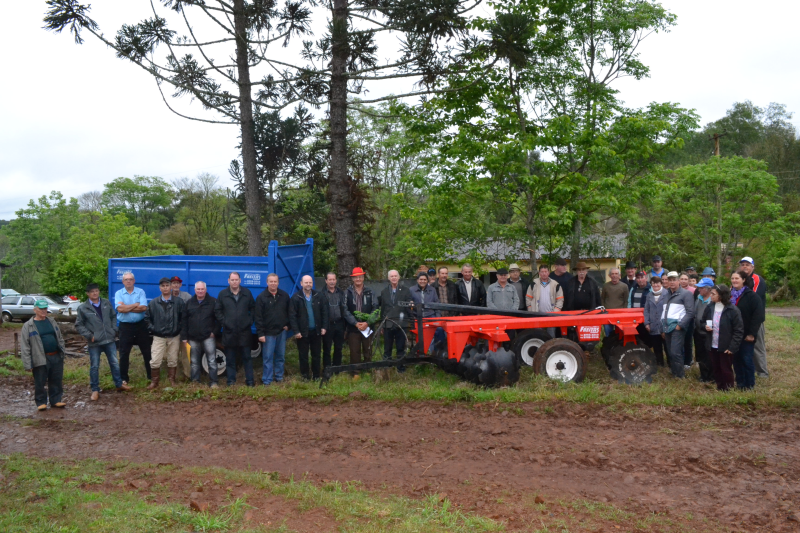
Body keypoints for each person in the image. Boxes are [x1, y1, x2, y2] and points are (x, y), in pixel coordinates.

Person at [75, 283, 129, 400]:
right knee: (94, 366)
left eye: (96, 291)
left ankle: (119, 384)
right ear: (88, 294)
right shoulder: (83, 308)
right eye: (92, 291)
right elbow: (79, 325)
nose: (95, 293)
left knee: (114, 363)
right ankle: (95, 390)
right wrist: (89, 335)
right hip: (95, 342)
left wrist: (114, 329)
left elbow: (113, 316)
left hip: (109, 339)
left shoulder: (106, 303)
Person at [20, 300, 67, 411]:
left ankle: (56, 400)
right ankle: (41, 402)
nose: (43, 311)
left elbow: (59, 337)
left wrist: (62, 350)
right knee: (40, 381)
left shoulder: (51, 321)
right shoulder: (28, 326)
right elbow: (25, 345)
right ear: (35, 309)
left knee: (56, 379)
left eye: (45, 308)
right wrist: (28, 363)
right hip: (39, 357)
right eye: (41, 309)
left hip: (55, 355)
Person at [215, 272, 256, 387]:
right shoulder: (223, 294)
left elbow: (253, 308)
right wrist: (225, 322)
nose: (234, 282)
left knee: (247, 358)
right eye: (232, 280)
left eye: (236, 280)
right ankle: (231, 382)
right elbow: (217, 311)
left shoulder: (247, 293)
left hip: (244, 332)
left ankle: (250, 382)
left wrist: (249, 321)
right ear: (228, 281)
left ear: (240, 281)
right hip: (229, 332)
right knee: (230, 359)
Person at [145, 277, 186, 389]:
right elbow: (147, 319)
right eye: (163, 286)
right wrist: (154, 329)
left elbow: (184, 318)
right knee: (155, 360)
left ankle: (172, 380)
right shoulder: (153, 303)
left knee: (173, 359)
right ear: (160, 288)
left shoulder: (179, 302)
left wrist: (178, 329)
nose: (165, 288)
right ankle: (155, 382)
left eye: (167, 285)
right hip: (159, 337)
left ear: (171, 287)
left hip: (174, 336)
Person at [702, 284, 743, 391]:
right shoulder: (710, 307)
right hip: (713, 343)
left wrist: (732, 347)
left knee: (726, 369)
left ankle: (728, 389)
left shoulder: (733, 310)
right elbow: (702, 322)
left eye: (713, 294)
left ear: (721, 295)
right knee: (716, 368)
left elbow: (738, 330)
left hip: (726, 345)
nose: (710, 295)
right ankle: (720, 387)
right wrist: (705, 326)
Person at [115, 271, 152, 385]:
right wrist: (135, 304)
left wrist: (127, 307)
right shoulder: (118, 293)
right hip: (125, 327)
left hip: (140, 325)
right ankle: (124, 378)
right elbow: (120, 309)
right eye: (126, 279)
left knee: (147, 352)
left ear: (134, 281)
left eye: (130, 279)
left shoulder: (140, 292)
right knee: (124, 353)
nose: (128, 281)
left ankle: (151, 377)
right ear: (123, 282)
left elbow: (143, 308)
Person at [289, 275, 328, 380]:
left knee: (316, 355)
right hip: (302, 333)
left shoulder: (319, 296)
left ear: (312, 283)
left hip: (316, 331)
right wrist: (296, 331)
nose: (308, 284)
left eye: (310, 282)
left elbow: (324, 312)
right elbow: (292, 316)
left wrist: (324, 327)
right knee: (303, 356)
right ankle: (305, 376)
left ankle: (316, 375)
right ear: (301, 283)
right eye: (306, 282)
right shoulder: (296, 297)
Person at [181, 281, 219, 387]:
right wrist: (184, 337)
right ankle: (195, 382)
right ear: (195, 290)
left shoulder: (213, 302)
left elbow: (219, 319)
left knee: (211, 360)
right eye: (198, 289)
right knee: (194, 362)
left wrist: (214, 332)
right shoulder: (189, 303)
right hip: (193, 337)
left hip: (208, 337)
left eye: (202, 289)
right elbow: (184, 321)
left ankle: (214, 382)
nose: (200, 291)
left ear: (206, 290)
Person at [730, 270, 764, 390]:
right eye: (733, 278)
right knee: (736, 359)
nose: (734, 281)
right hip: (733, 334)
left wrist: (751, 333)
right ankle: (740, 383)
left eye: (737, 278)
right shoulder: (729, 295)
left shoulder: (752, 296)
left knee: (746, 359)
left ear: (743, 280)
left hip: (746, 334)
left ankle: (749, 384)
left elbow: (758, 316)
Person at [254, 273, 291, 386]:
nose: (273, 283)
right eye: (271, 281)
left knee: (280, 356)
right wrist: (260, 333)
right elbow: (258, 317)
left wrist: (288, 325)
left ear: (278, 283)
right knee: (268, 358)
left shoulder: (284, 296)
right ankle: (267, 380)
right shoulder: (261, 297)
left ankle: (279, 377)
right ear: (267, 282)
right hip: (268, 333)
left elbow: (290, 312)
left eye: (275, 281)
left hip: (281, 332)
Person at [660, 271, 695, 379]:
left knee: (676, 352)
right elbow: (664, 311)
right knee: (670, 352)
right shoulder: (666, 294)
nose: (671, 282)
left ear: (678, 281)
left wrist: (680, 325)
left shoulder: (686, 294)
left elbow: (690, 312)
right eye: (669, 280)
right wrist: (662, 328)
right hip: (667, 327)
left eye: (674, 280)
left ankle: (680, 376)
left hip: (677, 327)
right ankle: (674, 372)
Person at [738, 256, 768, 378]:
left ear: (752, 267)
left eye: (747, 264)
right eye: (743, 264)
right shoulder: (739, 279)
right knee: (742, 346)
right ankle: (745, 370)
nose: (745, 266)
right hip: (742, 319)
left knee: (757, 346)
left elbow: (753, 298)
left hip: (755, 319)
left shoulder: (757, 279)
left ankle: (762, 372)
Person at [344, 267, 378, 373]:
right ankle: (356, 373)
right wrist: (355, 323)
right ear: (352, 279)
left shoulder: (370, 292)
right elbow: (344, 310)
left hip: (367, 327)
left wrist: (368, 322)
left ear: (363, 278)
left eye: (360, 277)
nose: (358, 279)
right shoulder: (347, 292)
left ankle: (368, 371)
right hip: (353, 327)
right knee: (354, 351)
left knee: (368, 349)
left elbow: (375, 308)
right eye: (356, 277)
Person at [380, 269, 412, 363]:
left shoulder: (406, 290)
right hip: (388, 323)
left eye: (395, 276)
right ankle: (387, 365)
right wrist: (382, 324)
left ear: (398, 277)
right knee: (387, 348)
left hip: (401, 323)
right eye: (392, 276)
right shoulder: (384, 291)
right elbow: (383, 308)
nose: (394, 278)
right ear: (388, 278)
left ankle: (400, 367)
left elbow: (409, 305)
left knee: (400, 347)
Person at [320, 272, 348, 370]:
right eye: (330, 280)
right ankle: (327, 369)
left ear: (336, 280)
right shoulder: (321, 293)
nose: (332, 282)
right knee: (327, 348)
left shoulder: (341, 292)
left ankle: (337, 368)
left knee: (338, 348)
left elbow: (344, 309)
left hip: (340, 323)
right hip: (328, 325)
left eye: (333, 279)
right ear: (326, 281)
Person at [526, 265, 563, 337]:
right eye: (542, 272)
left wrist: (556, 311)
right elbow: (528, 298)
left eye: (545, 271)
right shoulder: (533, 284)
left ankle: (551, 348)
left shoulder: (555, 284)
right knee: (538, 335)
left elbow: (560, 299)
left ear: (549, 273)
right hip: (537, 314)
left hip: (551, 314)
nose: (544, 273)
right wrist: (531, 310)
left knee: (551, 335)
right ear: (539, 273)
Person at [693, 278, 715, 383]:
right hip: (698, 331)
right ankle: (703, 375)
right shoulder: (698, 298)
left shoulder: (713, 301)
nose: (698, 289)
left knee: (709, 355)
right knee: (700, 354)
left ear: (708, 289)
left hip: (708, 333)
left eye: (701, 288)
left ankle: (711, 376)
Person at [644, 277, 666, 366]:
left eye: (657, 283)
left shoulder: (667, 293)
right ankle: (660, 363)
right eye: (653, 283)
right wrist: (646, 323)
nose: (655, 285)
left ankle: (670, 364)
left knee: (667, 347)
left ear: (661, 283)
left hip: (664, 325)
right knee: (657, 347)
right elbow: (646, 310)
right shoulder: (649, 295)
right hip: (653, 325)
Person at [601, 267, 628, 336]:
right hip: (607, 314)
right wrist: (604, 310)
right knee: (608, 334)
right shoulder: (605, 286)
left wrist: (624, 312)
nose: (614, 275)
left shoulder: (624, 286)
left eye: (616, 274)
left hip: (620, 314)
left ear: (619, 275)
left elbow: (626, 300)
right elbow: (602, 299)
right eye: (612, 274)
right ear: (609, 275)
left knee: (619, 334)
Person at [679, 271, 697, 370]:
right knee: (679, 340)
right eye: (682, 279)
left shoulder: (693, 290)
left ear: (689, 280)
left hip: (689, 319)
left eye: (686, 279)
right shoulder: (676, 290)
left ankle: (688, 360)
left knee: (688, 341)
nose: (683, 281)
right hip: (678, 318)